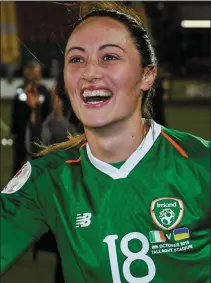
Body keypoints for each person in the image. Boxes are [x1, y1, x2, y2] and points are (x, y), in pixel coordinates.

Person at [1, 5, 210, 283]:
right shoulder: (48, 178)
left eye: (109, 56)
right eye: (76, 59)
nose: (89, 73)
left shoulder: (200, 163)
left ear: (147, 75)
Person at [10, 60, 51, 175]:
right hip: (21, 133)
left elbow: (48, 111)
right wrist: (13, 131)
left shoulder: (43, 91)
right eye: (34, 72)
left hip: (39, 133)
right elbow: (15, 112)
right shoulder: (20, 90)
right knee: (18, 165)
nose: (37, 74)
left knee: (38, 163)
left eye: (38, 72)